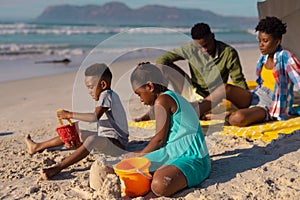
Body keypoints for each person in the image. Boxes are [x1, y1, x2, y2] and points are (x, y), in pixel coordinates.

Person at [25, 63, 129, 180]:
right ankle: (37, 146)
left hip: (117, 144)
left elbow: (94, 117)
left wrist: (70, 114)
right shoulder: (109, 95)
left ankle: (58, 167)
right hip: (108, 139)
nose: (89, 91)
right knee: (75, 133)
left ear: (103, 84)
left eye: (90, 87)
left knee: (91, 140)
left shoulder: (106, 95)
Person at [197, 16, 300, 127]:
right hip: (256, 95)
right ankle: (192, 112)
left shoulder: (286, 57)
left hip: (271, 105)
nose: (261, 45)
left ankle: (224, 116)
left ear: (277, 42)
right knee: (225, 88)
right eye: (259, 40)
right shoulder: (263, 58)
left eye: (265, 41)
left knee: (237, 118)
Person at [127, 62, 210, 198]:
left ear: (150, 86)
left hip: (193, 159)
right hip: (173, 152)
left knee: (160, 184)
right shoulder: (168, 97)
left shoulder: (163, 100)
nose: (140, 99)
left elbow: (159, 140)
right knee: (130, 165)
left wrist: (140, 155)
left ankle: (151, 192)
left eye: (139, 94)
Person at [134, 22, 248, 121]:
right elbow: (162, 59)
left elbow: (238, 80)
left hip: (214, 98)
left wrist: (245, 99)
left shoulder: (228, 53)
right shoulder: (191, 48)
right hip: (192, 91)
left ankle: (194, 111)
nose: (204, 50)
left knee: (224, 88)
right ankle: (159, 105)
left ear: (212, 36)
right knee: (167, 66)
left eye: (207, 45)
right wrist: (159, 85)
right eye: (200, 47)